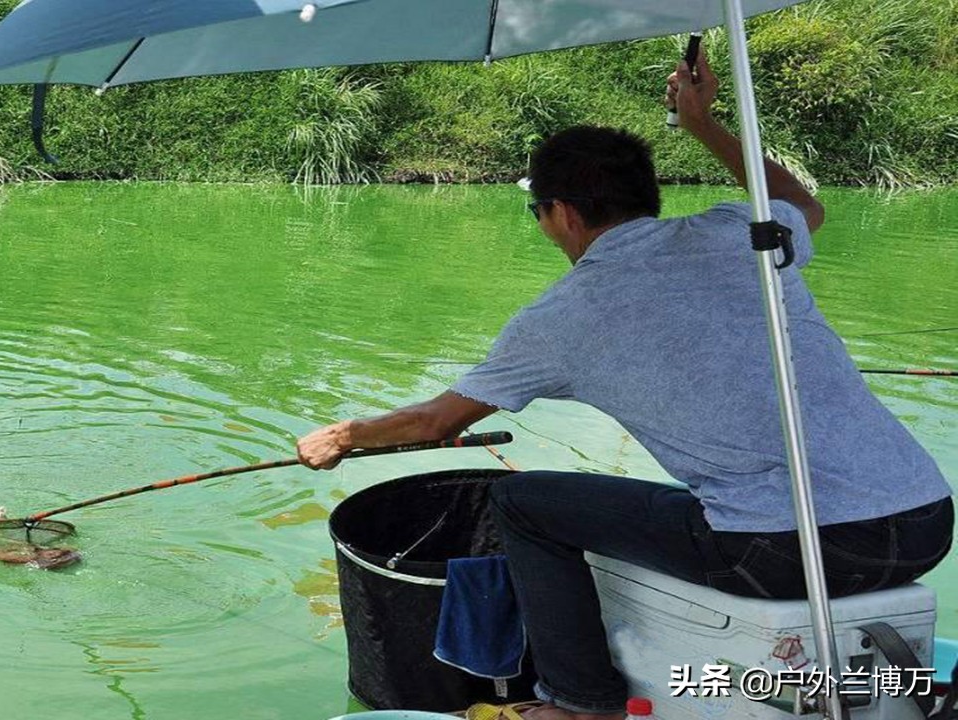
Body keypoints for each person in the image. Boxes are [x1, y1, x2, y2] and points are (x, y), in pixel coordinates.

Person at [295, 51, 953, 720]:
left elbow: (437, 422)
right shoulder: (738, 234)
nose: (544, 225)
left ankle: (581, 703)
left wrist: (344, 436)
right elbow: (802, 204)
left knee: (523, 503)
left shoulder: (558, 320)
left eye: (537, 213)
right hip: (926, 520)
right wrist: (703, 123)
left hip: (783, 553)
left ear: (564, 215)